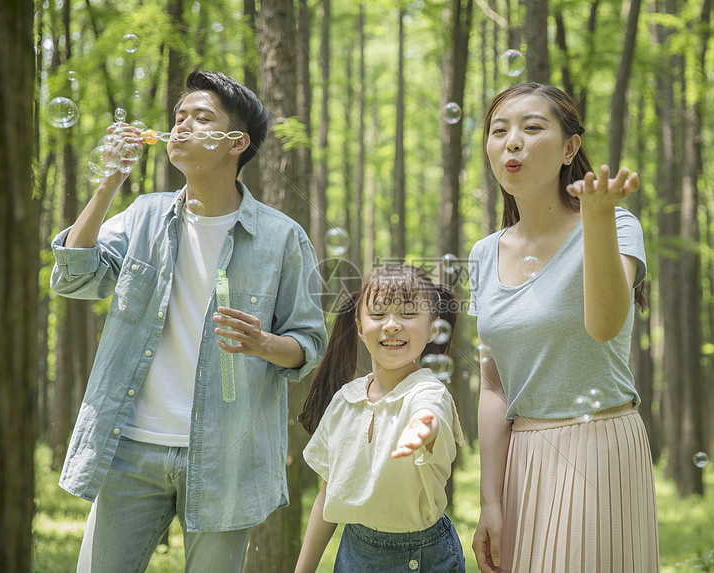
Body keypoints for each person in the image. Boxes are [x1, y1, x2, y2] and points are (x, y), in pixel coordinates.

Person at [50, 70, 328, 572]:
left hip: (227, 455)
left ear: (235, 143)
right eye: (178, 116)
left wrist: (264, 343)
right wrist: (109, 183)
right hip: (129, 447)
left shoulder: (282, 238)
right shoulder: (143, 214)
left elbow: (308, 344)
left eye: (201, 118)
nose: (182, 126)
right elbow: (74, 278)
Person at [468, 82, 659, 572]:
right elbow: (493, 385)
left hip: (598, 443)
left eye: (533, 128)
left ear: (570, 148)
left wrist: (596, 217)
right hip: (523, 458)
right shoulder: (483, 254)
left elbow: (605, 323)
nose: (512, 142)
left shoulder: (615, 224)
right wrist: (491, 499)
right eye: (499, 130)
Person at [294, 264, 467, 573]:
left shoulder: (428, 391)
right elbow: (328, 494)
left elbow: (428, 411)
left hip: (422, 559)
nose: (391, 325)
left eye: (408, 314)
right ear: (360, 328)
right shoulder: (345, 399)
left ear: (433, 329)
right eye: (377, 314)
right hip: (353, 554)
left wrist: (423, 428)